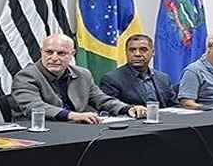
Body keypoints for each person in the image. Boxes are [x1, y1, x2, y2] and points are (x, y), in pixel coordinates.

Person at [12, 35, 143, 123]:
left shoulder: (82, 74)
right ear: (41, 52)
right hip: (40, 130)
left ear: (72, 54)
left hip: (75, 129)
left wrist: (127, 109)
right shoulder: (26, 76)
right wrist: (73, 115)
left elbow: (101, 99)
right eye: (49, 52)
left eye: (61, 53)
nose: (54, 58)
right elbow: (34, 106)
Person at [99, 34, 178, 110]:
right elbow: (109, 108)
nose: (137, 54)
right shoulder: (112, 79)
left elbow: (174, 106)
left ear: (153, 52)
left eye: (143, 50)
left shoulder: (163, 78)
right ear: (126, 52)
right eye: (132, 50)